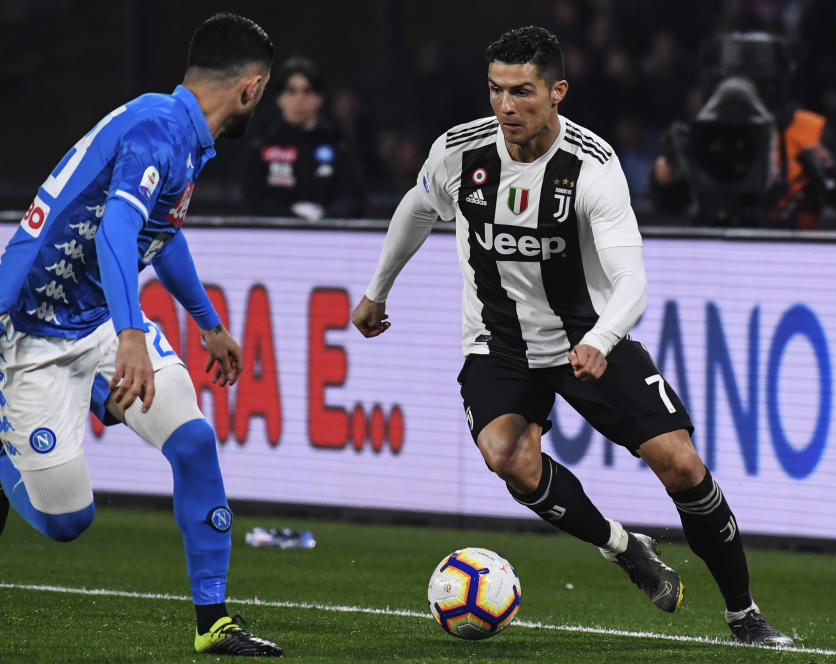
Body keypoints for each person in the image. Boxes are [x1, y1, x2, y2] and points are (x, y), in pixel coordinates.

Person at [352, 26, 793, 647]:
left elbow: (630, 278)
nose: (506, 107)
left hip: (587, 336)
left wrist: (603, 338)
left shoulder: (592, 167)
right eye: (496, 90)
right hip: (499, 340)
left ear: (557, 92)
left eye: (523, 92)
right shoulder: (458, 153)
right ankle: (625, 548)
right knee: (508, 458)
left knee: (682, 465)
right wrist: (377, 290)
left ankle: (744, 615)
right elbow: (416, 209)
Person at [0, 13, 282, 657]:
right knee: (68, 521)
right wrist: (133, 334)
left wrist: (208, 324)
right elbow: (115, 234)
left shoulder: (180, 132)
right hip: (31, 333)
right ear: (251, 88)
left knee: (194, 443)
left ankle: (213, 621)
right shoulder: (160, 131)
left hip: (98, 322)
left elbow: (163, 232)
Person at [649, 32, 836, 229]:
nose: (742, 95)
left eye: (758, 87)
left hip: (793, 254)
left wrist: (827, 171)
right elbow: (668, 206)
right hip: (718, 252)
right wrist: (669, 174)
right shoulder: (704, 133)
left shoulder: (808, 132)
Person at [241, 56, 366, 221]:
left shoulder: (340, 146)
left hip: (329, 239)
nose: (299, 99)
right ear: (280, 99)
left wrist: (323, 221)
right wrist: (293, 220)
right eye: (291, 91)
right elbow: (254, 200)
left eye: (307, 91)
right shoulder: (261, 148)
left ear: (319, 99)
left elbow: (354, 199)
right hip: (274, 240)